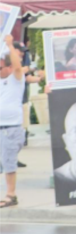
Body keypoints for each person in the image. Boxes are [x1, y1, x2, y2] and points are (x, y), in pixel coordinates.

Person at [0, 36, 26, 209]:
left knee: (9, 162)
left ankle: (11, 194)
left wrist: (10, 45)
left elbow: (17, 65)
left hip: (11, 127)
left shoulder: (16, 79)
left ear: (9, 67)